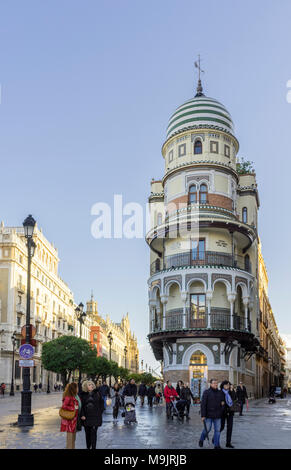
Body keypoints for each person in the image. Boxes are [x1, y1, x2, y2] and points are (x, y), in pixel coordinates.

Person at [199, 378, 225, 449]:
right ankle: (201, 439)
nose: (215, 384)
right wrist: (203, 415)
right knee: (207, 429)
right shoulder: (206, 392)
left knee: (217, 430)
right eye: (214, 383)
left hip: (218, 415)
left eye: (216, 383)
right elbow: (203, 405)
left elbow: (223, 403)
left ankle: (216, 445)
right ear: (211, 384)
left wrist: (221, 410)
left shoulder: (220, 392)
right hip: (208, 415)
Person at [80, 380, 104, 449]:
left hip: (95, 417)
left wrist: (100, 412)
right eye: (89, 385)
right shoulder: (83, 395)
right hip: (86, 417)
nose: (92, 386)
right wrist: (82, 415)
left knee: (93, 434)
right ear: (86, 386)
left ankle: (93, 447)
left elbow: (101, 403)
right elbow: (81, 406)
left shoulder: (97, 393)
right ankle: (88, 447)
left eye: (92, 384)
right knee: (87, 434)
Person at [60, 382, 79, 449]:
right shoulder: (68, 397)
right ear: (74, 388)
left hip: (73, 420)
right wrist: (73, 408)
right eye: (77, 387)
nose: (78, 389)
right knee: (70, 439)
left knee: (73, 438)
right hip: (70, 421)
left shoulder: (73, 396)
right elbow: (64, 406)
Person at [220, 380, 236, 448]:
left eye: (228, 385)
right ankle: (215, 438)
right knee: (221, 427)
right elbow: (220, 402)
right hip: (223, 412)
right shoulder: (220, 392)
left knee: (230, 428)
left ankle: (228, 443)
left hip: (230, 412)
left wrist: (232, 391)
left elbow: (234, 398)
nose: (227, 386)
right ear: (223, 385)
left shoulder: (230, 392)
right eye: (226, 385)